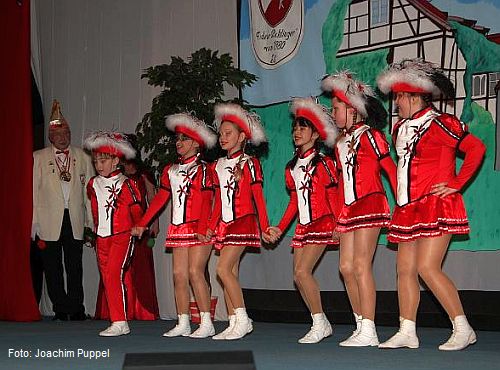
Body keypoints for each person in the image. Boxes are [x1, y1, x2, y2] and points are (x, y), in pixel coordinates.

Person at [376, 59, 486, 351]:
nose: (396, 102)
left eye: (399, 96)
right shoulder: (398, 129)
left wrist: (457, 182)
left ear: (414, 95)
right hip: (407, 208)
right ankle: (407, 331)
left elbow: (477, 148)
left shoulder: (442, 123)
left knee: (427, 268)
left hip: (437, 204)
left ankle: (463, 327)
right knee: (404, 270)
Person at [321, 72, 397, 346]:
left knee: (362, 265)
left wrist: (404, 202)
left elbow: (391, 171)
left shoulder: (373, 137)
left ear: (353, 110)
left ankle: (370, 328)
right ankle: (361, 323)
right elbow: (341, 184)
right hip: (349, 210)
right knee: (345, 267)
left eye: (336, 109)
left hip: (371, 203)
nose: (333, 113)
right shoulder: (340, 143)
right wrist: (338, 220)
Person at [132, 113, 217, 338]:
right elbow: (160, 199)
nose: (179, 143)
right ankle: (183, 321)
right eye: (177, 139)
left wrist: (202, 227)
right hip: (178, 228)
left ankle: (206, 321)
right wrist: (143, 222)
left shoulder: (205, 169)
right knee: (178, 274)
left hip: (200, 228)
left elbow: (208, 200)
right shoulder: (170, 170)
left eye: (184, 139)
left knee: (195, 272)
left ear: (197, 142)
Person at [268, 97, 339, 344]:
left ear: (316, 134)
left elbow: (333, 195)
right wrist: (279, 227)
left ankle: (320, 322)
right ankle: (320, 321)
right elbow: (295, 203)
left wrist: (339, 223)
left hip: (323, 222)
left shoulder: (325, 163)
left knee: (302, 271)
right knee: (298, 276)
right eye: (295, 128)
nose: (297, 132)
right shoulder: (291, 167)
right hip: (303, 226)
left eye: (303, 127)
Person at [205, 103, 271, 341]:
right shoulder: (217, 165)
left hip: (243, 221)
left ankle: (243, 319)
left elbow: (258, 198)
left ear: (242, 136)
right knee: (229, 271)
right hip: (225, 223)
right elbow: (219, 201)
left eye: (228, 133)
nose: (223, 138)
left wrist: (264, 227)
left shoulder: (250, 164)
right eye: (221, 134)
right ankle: (234, 321)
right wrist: (211, 227)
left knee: (222, 269)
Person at [32, 99, 94, 321]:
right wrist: (34, 224)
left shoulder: (83, 156)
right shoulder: (38, 157)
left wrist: (91, 223)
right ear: (50, 136)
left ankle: (76, 307)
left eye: (66, 133)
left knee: (75, 265)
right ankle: (60, 307)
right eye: (57, 134)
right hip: (48, 220)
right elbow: (32, 192)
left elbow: (90, 192)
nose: (62, 137)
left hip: (75, 218)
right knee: (52, 266)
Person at [94, 136, 160, 321]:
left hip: (137, 226)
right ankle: (116, 311)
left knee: (139, 269)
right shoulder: (102, 180)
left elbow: (152, 200)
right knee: (113, 270)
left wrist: (153, 224)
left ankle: (142, 310)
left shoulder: (142, 174)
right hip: (112, 229)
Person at [85, 131, 143, 336]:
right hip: (101, 237)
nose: (99, 165)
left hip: (121, 235)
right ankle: (117, 318)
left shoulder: (127, 184)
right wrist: (94, 229)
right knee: (109, 276)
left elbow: (137, 210)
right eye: (96, 161)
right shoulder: (93, 183)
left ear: (116, 160)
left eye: (103, 161)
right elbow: (94, 208)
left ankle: (119, 321)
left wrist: (139, 226)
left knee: (112, 274)